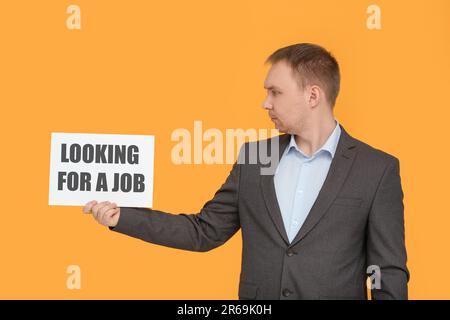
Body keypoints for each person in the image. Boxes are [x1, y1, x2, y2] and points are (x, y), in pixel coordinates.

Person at [83, 43, 409, 300]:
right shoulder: (257, 158)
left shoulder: (375, 169)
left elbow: (387, 272)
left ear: (313, 95)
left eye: (275, 92)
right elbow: (203, 231)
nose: (265, 103)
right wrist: (120, 217)